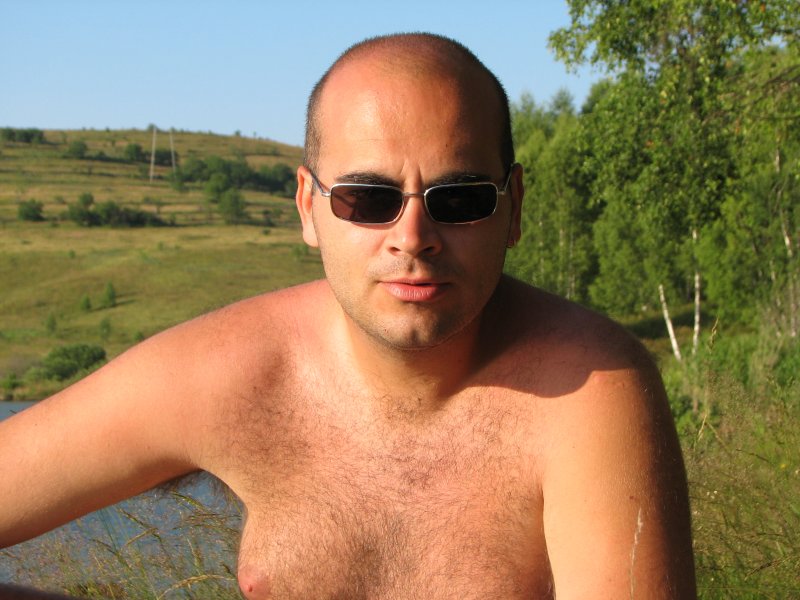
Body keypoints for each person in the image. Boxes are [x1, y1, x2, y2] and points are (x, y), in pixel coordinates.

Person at [0, 33, 696, 599]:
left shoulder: (591, 389)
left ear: (512, 209)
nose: (413, 237)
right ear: (309, 207)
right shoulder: (231, 372)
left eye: (459, 199)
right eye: (368, 198)